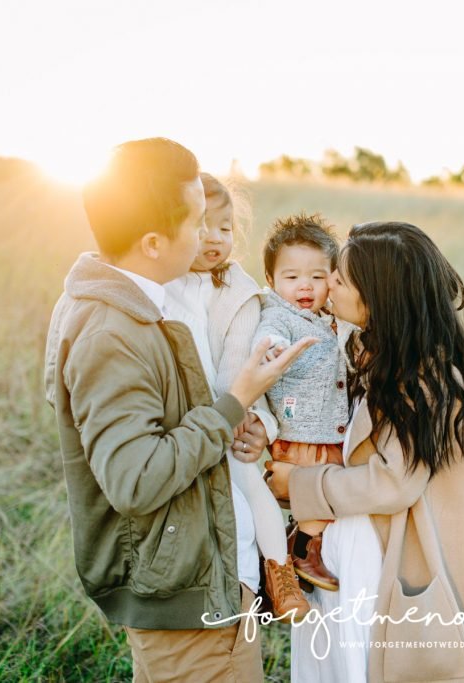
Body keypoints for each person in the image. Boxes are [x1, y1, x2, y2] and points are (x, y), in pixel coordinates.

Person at [43, 138, 313, 683]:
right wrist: (234, 400)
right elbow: (135, 479)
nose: (205, 237)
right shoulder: (112, 331)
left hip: (208, 575)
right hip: (187, 599)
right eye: (194, 222)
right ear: (151, 241)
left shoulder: (146, 305)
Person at [267, 221, 464, 682]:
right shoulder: (369, 354)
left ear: (379, 296)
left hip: (386, 564)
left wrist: (299, 483)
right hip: (349, 551)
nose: (328, 282)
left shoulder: (427, 377)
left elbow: (393, 482)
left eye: (342, 278)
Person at [162, 172, 310, 620]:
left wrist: (245, 418)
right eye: (203, 227)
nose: (214, 240)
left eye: (225, 229)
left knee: (250, 481)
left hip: (234, 412)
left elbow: (238, 368)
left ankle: (279, 571)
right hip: (183, 423)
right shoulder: (162, 287)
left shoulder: (241, 292)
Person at [252, 212, 350, 593]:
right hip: (302, 432)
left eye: (317, 276)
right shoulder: (281, 316)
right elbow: (269, 333)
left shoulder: (329, 318)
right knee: (318, 492)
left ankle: (303, 546)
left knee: (327, 491)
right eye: (292, 277)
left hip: (327, 431)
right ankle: (303, 551)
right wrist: (274, 348)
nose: (305, 286)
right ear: (272, 282)